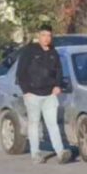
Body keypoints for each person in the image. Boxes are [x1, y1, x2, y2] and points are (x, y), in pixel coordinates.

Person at [15, 23, 72, 164]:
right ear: (38, 36)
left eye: (49, 36)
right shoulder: (29, 51)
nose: (46, 38)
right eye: (43, 35)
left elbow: (59, 71)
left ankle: (60, 152)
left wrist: (58, 86)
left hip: (50, 95)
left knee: (52, 124)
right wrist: (26, 91)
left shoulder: (53, 52)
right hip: (32, 94)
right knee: (34, 124)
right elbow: (21, 72)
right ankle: (36, 154)